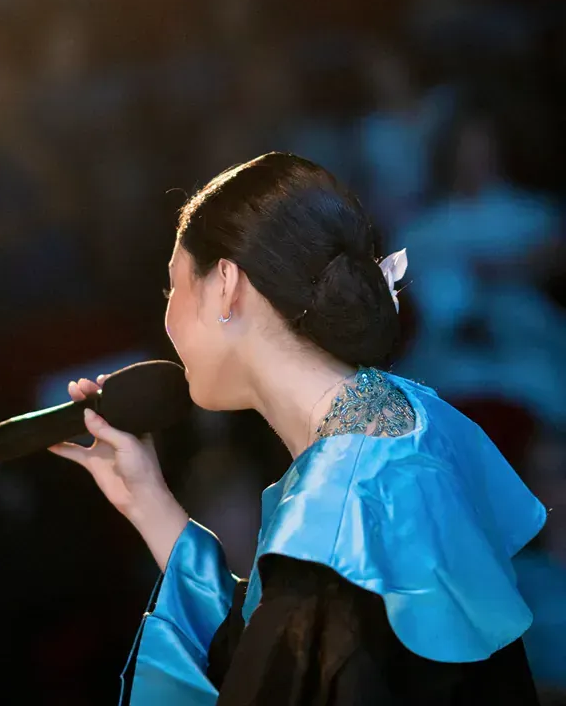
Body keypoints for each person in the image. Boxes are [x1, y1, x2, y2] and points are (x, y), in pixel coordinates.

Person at [50, 151, 545, 705]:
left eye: (173, 288)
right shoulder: (415, 423)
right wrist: (147, 500)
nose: (166, 319)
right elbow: (273, 650)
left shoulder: (332, 517)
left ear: (227, 286)